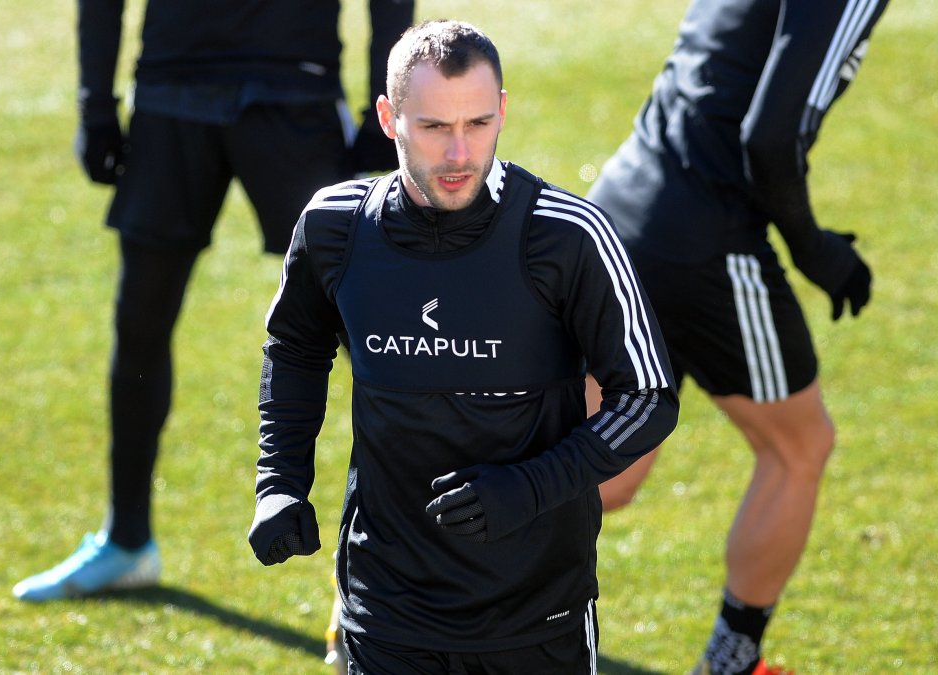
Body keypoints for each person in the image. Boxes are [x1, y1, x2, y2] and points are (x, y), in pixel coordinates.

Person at [247, 20, 678, 673]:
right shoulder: (336, 229)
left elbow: (648, 397)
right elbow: (296, 348)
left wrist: (530, 486)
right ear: (390, 118)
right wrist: (280, 481)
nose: (459, 153)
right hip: (385, 614)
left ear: (502, 109)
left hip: (537, 622)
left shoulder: (566, 237)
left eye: (477, 124)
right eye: (434, 128)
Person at [11, 0, 415, 603]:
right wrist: (94, 101)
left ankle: (421, 552)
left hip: (294, 90)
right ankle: (126, 542)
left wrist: (383, 111)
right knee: (140, 323)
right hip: (171, 90)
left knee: (369, 327)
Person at [585, 0, 891, 672]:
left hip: (622, 208)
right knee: (799, 444)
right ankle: (731, 661)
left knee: (600, 476)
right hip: (708, 238)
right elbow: (769, 138)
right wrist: (816, 251)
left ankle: (393, 579)